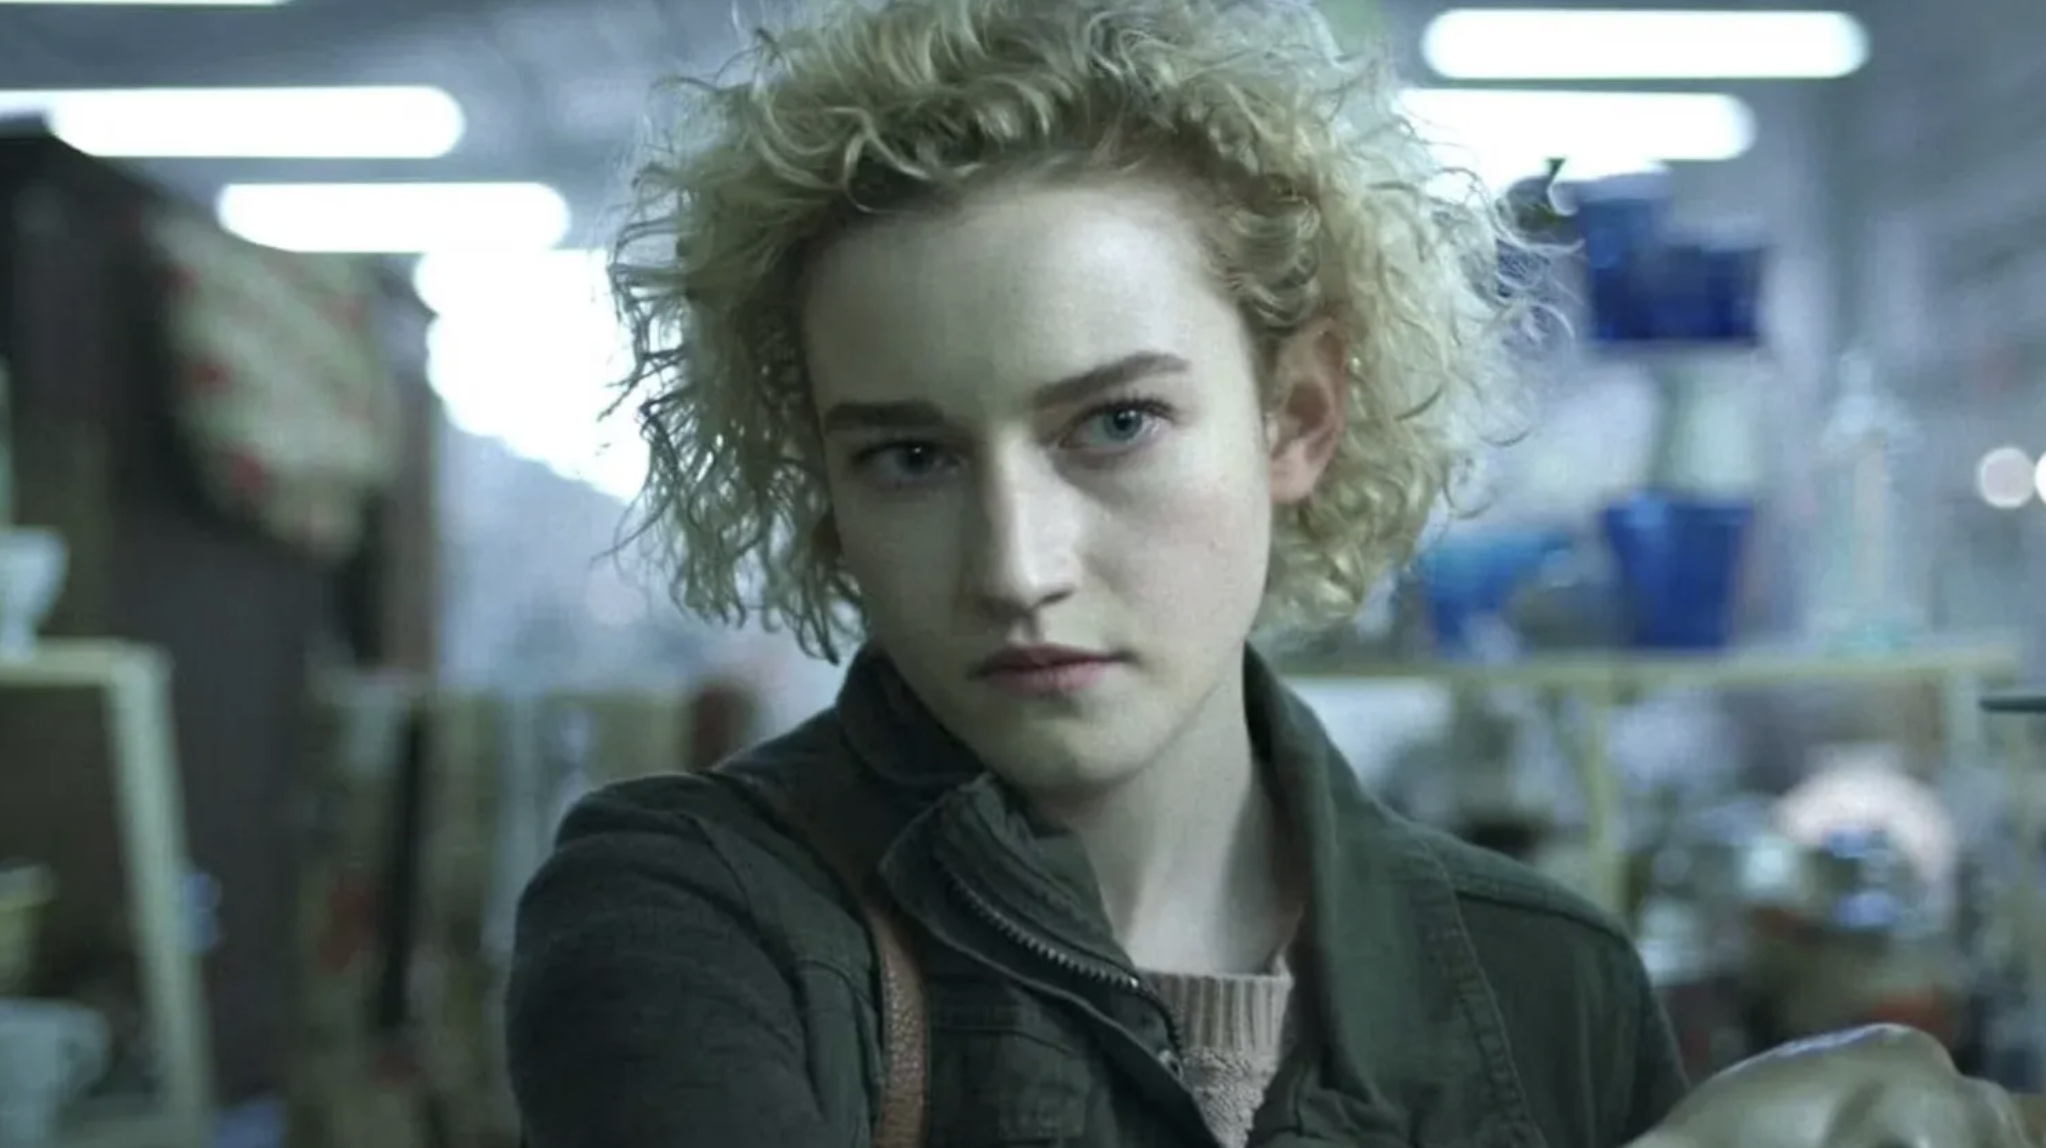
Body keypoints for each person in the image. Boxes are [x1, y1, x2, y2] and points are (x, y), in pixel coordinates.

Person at [504, 1, 2038, 1146]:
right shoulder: (699, 916)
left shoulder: (1540, 979)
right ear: (824, 492)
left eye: (1114, 424)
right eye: (908, 457)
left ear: (1296, 418)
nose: (1016, 566)